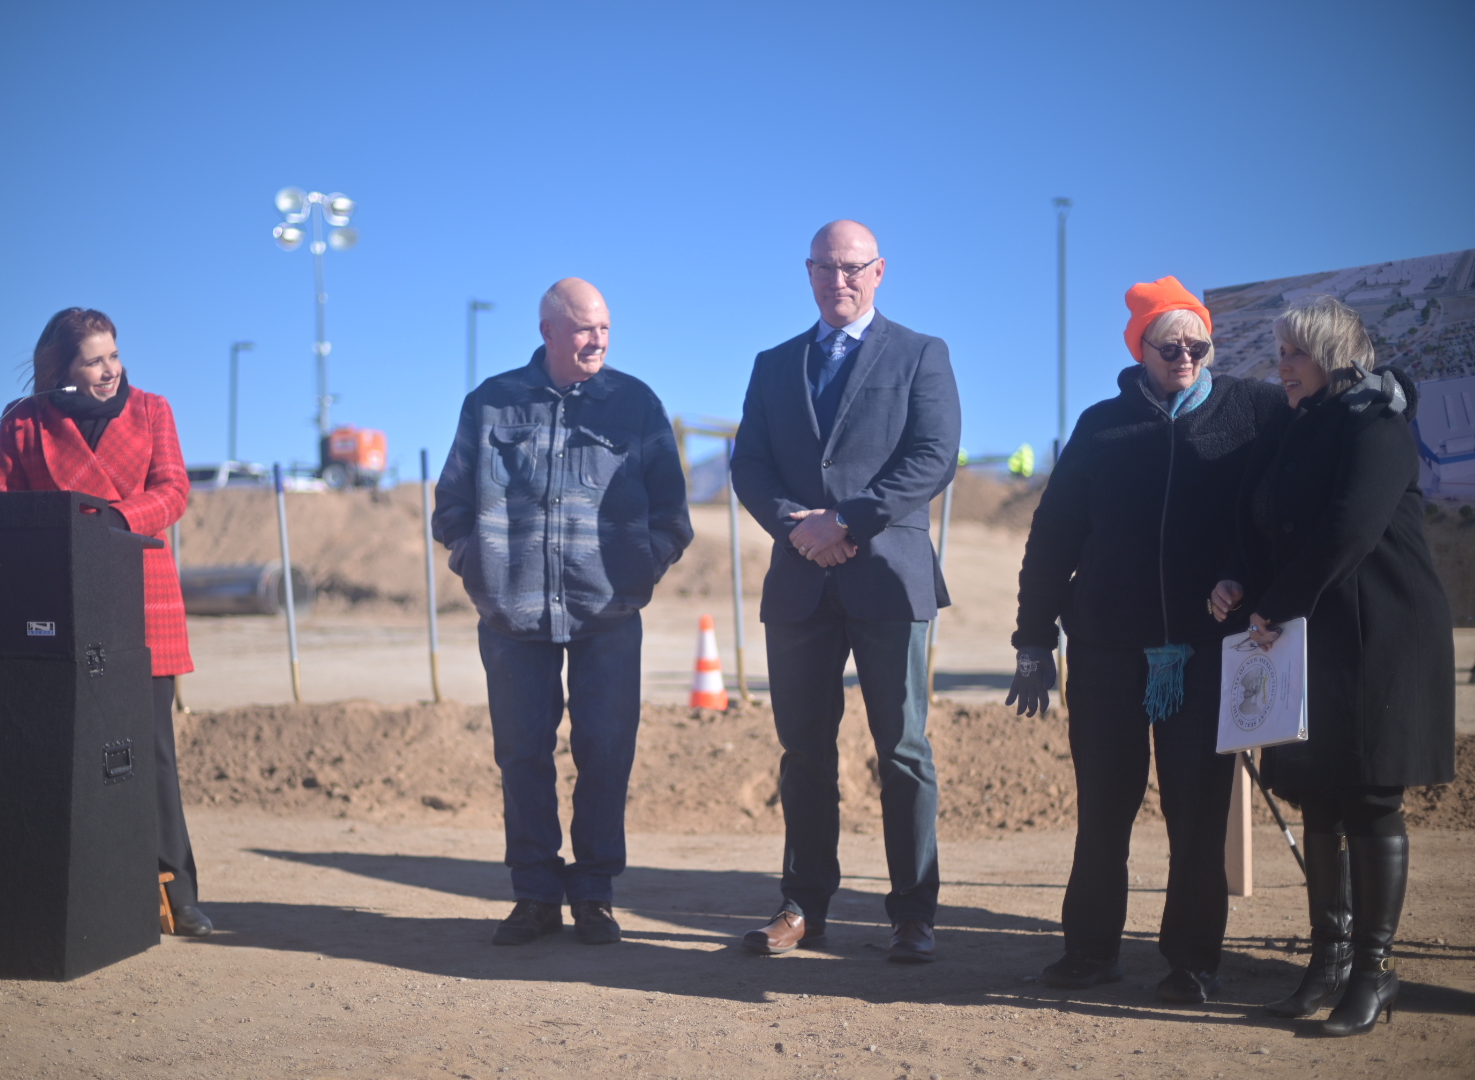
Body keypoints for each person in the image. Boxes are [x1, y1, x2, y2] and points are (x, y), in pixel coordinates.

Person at [1008, 277, 1286, 1002]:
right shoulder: (1102, 426)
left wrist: (1245, 581)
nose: (1186, 356)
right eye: (1171, 345)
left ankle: (1192, 961)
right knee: (1103, 808)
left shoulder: (1253, 411)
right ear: (1141, 349)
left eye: (1198, 343)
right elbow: (1053, 535)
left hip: (1208, 651)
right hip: (1106, 653)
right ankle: (1091, 952)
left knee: (1197, 816)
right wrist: (1033, 638)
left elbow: (1285, 503)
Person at [1212, 294, 1455, 1036]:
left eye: (1296, 353)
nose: (1281, 365)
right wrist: (1243, 586)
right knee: (1318, 795)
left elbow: (1350, 525)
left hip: (1380, 632)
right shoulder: (1291, 428)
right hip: (1310, 632)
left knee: (1370, 798)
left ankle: (1375, 975)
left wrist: (1277, 600)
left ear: (1333, 357)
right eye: (1280, 351)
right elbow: (1262, 522)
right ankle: (1328, 963)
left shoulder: (1378, 420)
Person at [433, 278, 692, 946]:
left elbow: (672, 511)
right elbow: (451, 504)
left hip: (607, 611)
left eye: (604, 327)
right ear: (547, 330)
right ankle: (535, 894)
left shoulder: (634, 404)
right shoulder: (492, 403)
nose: (597, 339)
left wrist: (640, 567)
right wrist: (476, 564)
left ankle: (595, 894)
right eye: (582, 328)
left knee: (605, 750)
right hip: (512, 613)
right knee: (522, 753)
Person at [730, 220, 959, 963]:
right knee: (805, 752)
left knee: (903, 751)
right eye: (826, 269)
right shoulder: (773, 365)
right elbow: (750, 465)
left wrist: (849, 523)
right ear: (808, 273)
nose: (840, 281)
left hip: (889, 578)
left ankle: (912, 914)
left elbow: (933, 455)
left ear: (880, 271)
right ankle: (803, 906)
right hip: (800, 582)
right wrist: (797, 525)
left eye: (853, 268)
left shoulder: (921, 354)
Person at [0, 307, 212, 937]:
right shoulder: (24, 422)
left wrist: (114, 521)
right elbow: (2, 502)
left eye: (114, 355)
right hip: (61, 599)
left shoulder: (153, 409)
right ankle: (80, 884)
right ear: (61, 369)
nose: (110, 369)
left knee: (153, 753)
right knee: (68, 750)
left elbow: (173, 489)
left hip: (144, 595)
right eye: (94, 359)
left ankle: (178, 891)